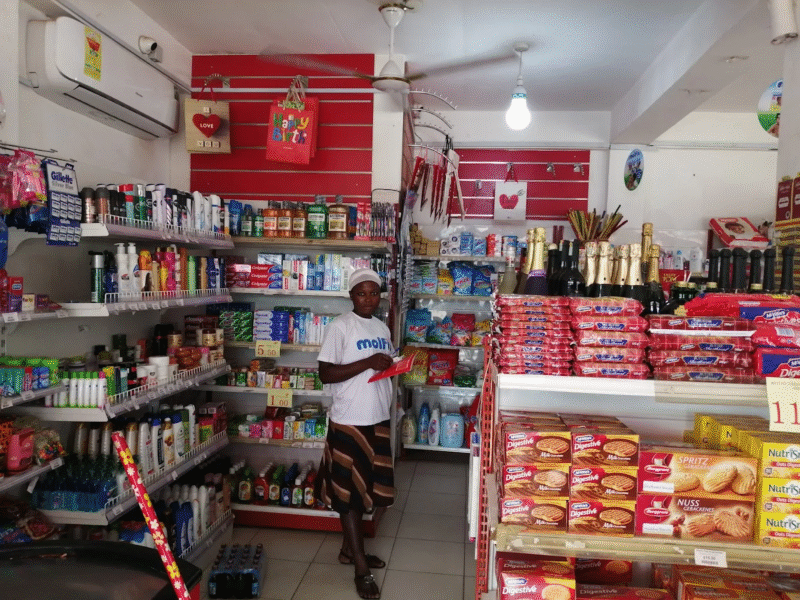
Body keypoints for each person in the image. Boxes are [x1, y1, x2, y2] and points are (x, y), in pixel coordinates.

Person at [315, 268, 395, 599]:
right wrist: (368, 362)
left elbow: (381, 365)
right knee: (347, 496)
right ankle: (360, 567)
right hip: (350, 418)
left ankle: (350, 550)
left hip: (377, 417)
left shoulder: (381, 327)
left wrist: (392, 364)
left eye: (373, 293)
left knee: (366, 492)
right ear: (351, 296)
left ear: (379, 295)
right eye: (361, 293)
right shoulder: (340, 327)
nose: (368, 299)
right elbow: (326, 374)